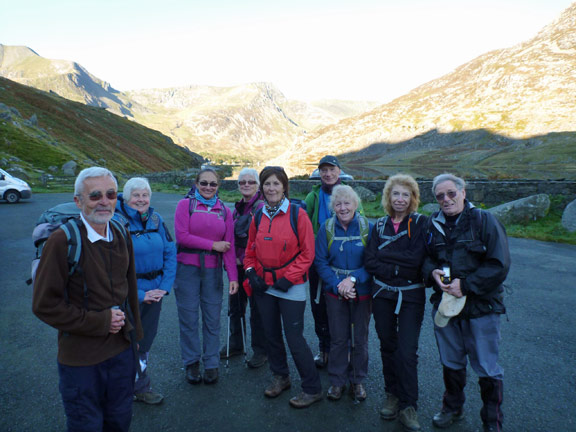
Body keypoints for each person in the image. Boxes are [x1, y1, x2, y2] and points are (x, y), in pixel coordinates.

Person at [32, 167, 143, 432]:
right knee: (87, 425)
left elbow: (130, 289)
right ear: (78, 201)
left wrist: (135, 339)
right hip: (81, 361)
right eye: (94, 195)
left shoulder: (120, 230)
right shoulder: (62, 241)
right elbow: (44, 305)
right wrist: (101, 322)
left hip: (121, 352)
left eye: (110, 194)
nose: (104, 201)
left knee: (119, 420)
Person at [422, 173, 510, 432]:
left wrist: (466, 286)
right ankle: (452, 407)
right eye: (440, 196)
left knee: (486, 365)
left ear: (463, 192)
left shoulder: (485, 221)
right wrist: (432, 273)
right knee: (450, 360)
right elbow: (425, 259)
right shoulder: (432, 225)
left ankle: (492, 421)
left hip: (481, 307)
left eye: (451, 193)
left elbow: (499, 264)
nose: (446, 200)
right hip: (446, 306)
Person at [244, 166, 322, 408]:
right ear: (262, 187)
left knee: (294, 337)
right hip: (265, 286)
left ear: (284, 186)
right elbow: (249, 252)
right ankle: (281, 377)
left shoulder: (297, 215)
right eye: (267, 184)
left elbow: (308, 253)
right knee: (271, 334)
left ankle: (312, 388)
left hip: (292, 286)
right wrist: (250, 273)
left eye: (276, 183)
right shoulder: (258, 215)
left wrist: (289, 277)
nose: (271, 188)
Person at [364, 174, 428, 432]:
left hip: (411, 296)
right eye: (396, 194)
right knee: (387, 345)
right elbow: (370, 260)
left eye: (405, 194)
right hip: (382, 295)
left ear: (413, 198)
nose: (400, 199)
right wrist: (396, 265)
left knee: (407, 350)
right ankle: (392, 394)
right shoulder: (379, 225)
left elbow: (416, 261)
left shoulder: (421, 223)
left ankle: (408, 405)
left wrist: (387, 261)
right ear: (388, 197)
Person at [114, 177, 176, 405]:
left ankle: (140, 386)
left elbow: (170, 252)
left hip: (155, 294)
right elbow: (113, 267)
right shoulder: (116, 221)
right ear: (127, 197)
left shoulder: (156, 219)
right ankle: (120, 390)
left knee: (144, 342)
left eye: (145, 195)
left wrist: (164, 288)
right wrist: (139, 294)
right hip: (128, 295)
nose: (141, 200)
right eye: (136, 195)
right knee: (123, 342)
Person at [174, 168, 239, 385]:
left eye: (213, 184)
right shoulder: (185, 206)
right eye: (204, 183)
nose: (208, 187)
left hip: (212, 271)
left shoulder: (224, 211)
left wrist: (233, 277)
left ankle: (211, 364)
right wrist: (213, 245)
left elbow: (228, 246)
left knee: (212, 319)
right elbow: (182, 237)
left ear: (218, 186)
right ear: (196, 184)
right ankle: (191, 363)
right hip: (187, 270)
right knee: (189, 319)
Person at [314, 185, 373, 402]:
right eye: (338, 204)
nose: (343, 207)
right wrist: (339, 284)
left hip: (363, 292)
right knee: (338, 338)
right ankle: (337, 382)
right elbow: (320, 261)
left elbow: (373, 261)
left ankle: (357, 381)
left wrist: (353, 279)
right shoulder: (326, 228)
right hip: (334, 292)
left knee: (360, 339)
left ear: (355, 204)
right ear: (333, 207)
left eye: (347, 203)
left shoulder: (368, 227)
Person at [305, 155, 363, 368]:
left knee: (346, 309)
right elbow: (305, 225)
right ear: (319, 173)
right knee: (319, 308)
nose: (327, 174)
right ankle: (324, 349)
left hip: (345, 263)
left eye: (332, 170)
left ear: (339, 171)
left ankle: (347, 351)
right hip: (318, 261)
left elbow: (361, 222)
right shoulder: (313, 197)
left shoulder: (350, 195)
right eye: (323, 170)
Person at [220, 168, 267, 368]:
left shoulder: (261, 207)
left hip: (254, 267)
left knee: (257, 309)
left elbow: (258, 239)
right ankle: (237, 343)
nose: (246, 185)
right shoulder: (238, 209)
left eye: (250, 182)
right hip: (236, 267)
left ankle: (260, 350)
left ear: (258, 185)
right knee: (235, 306)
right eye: (242, 182)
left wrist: (242, 259)